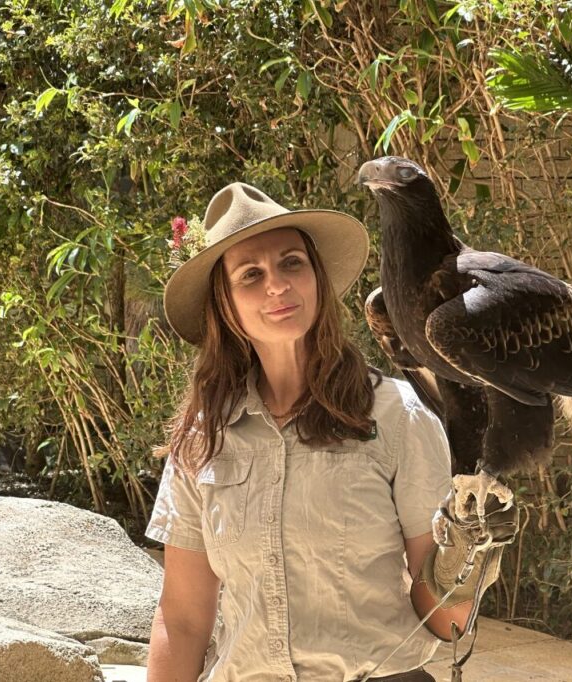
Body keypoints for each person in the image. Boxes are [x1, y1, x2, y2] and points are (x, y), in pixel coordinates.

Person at [144, 182, 517, 682]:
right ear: (226, 306)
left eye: (291, 263)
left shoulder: (397, 417)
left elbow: (445, 621)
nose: (277, 284)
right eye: (251, 274)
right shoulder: (202, 438)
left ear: (316, 277)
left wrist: (467, 554)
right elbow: (184, 619)